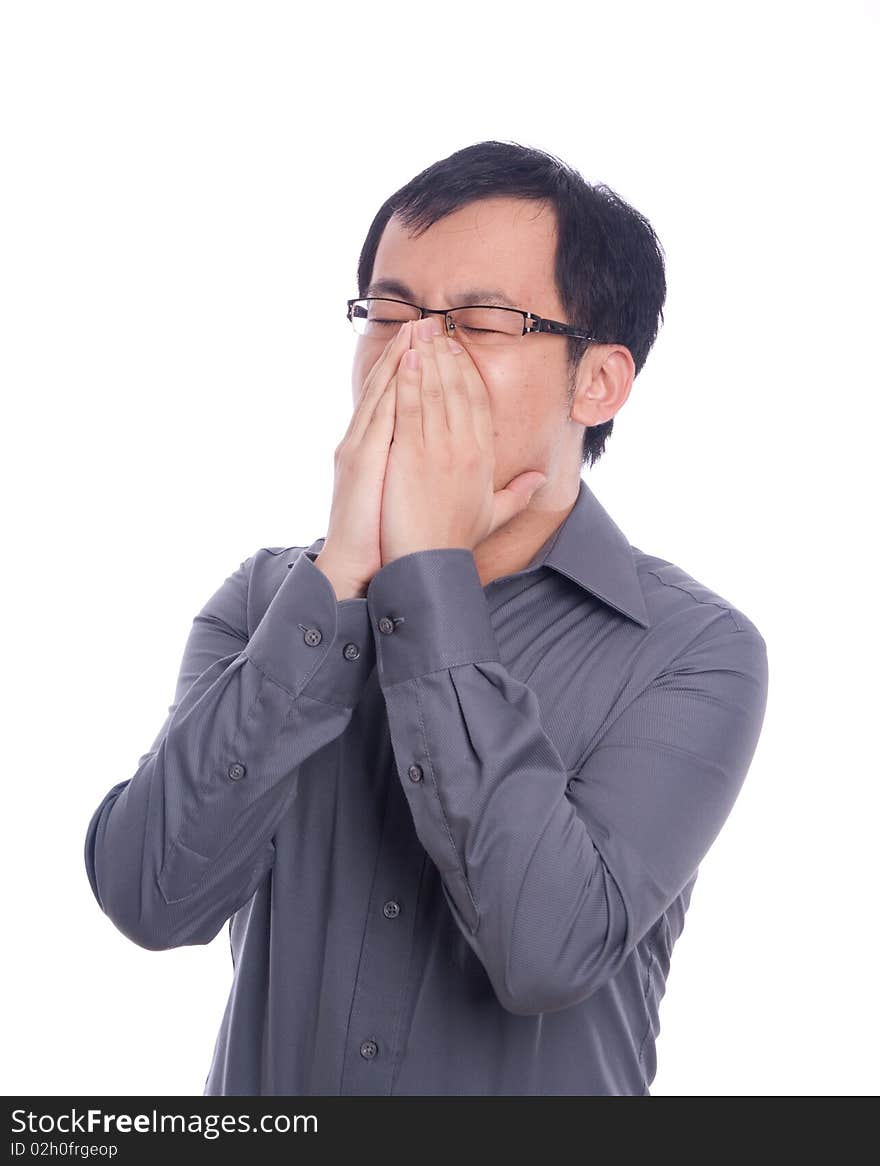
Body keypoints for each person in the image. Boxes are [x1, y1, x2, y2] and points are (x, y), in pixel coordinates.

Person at [84, 139, 769, 1096]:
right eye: (390, 310)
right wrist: (351, 569)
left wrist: (429, 574)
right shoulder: (269, 604)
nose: (412, 354)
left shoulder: (694, 653)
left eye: (479, 321)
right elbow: (151, 897)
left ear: (599, 381)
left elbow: (549, 952)